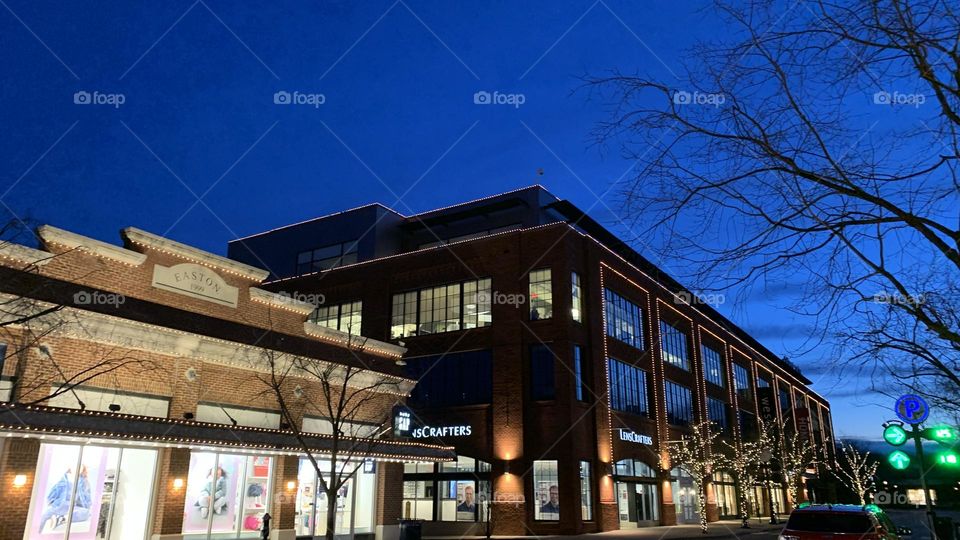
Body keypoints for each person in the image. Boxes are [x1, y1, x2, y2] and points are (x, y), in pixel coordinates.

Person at [39, 466, 93, 533]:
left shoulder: (84, 482)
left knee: (86, 513)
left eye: (81, 466)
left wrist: (86, 507)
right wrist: (51, 502)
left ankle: (61, 519)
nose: (77, 467)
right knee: (44, 515)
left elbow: (87, 498)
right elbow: (53, 492)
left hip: (73, 507)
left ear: (83, 469)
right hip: (60, 505)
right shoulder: (63, 479)